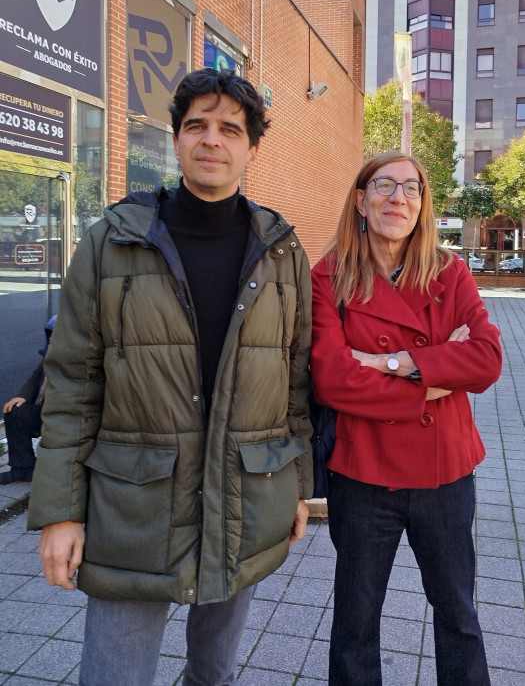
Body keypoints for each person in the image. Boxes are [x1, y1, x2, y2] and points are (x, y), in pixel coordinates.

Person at [27, 68, 313, 686]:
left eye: (230, 129)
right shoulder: (113, 242)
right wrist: (59, 512)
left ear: (250, 147)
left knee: (214, 674)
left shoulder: (283, 251)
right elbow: (73, 385)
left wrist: (297, 484)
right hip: (135, 505)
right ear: (177, 140)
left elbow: (294, 381)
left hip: (244, 498)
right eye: (197, 126)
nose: (213, 140)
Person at [310, 151, 502, 686]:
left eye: (412, 189)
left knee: (458, 615)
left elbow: (486, 361)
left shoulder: (449, 271)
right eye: (384, 186)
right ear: (360, 200)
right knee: (355, 621)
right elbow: (331, 378)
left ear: (423, 206)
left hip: (446, 474)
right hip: (363, 475)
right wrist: (437, 376)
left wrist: (392, 363)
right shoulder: (329, 277)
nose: (398, 198)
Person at [0, 315, 56, 485]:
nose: (52, 338)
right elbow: (36, 375)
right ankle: (23, 469)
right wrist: (22, 396)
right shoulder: (50, 353)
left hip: (66, 417)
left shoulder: (79, 359)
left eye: (56, 335)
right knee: (15, 411)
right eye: (50, 334)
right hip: (45, 411)